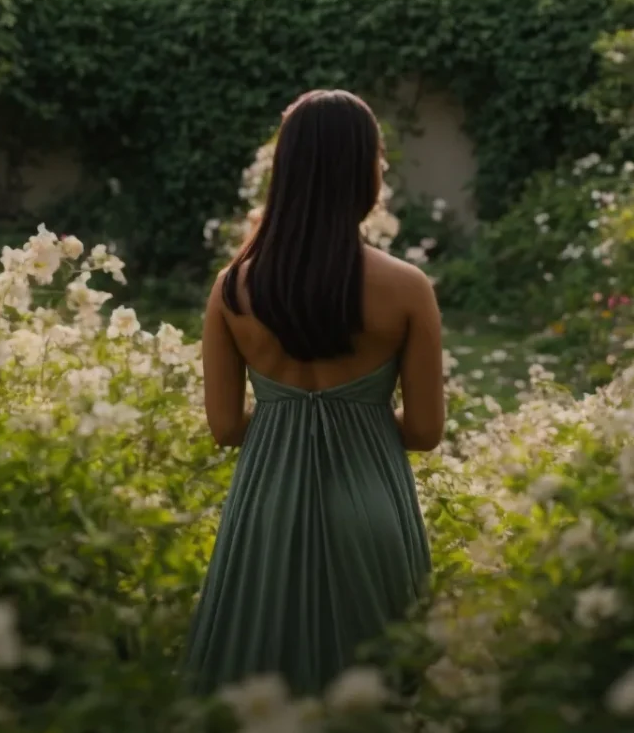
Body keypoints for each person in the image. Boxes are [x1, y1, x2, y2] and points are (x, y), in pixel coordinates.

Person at [183, 89, 442, 697]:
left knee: (255, 702)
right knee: (379, 704)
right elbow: (426, 433)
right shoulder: (407, 288)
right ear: (363, 172)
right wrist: (357, 417)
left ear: (287, 171)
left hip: (265, 511)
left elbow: (224, 427)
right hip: (372, 503)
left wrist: (288, 419)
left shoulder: (233, 289)